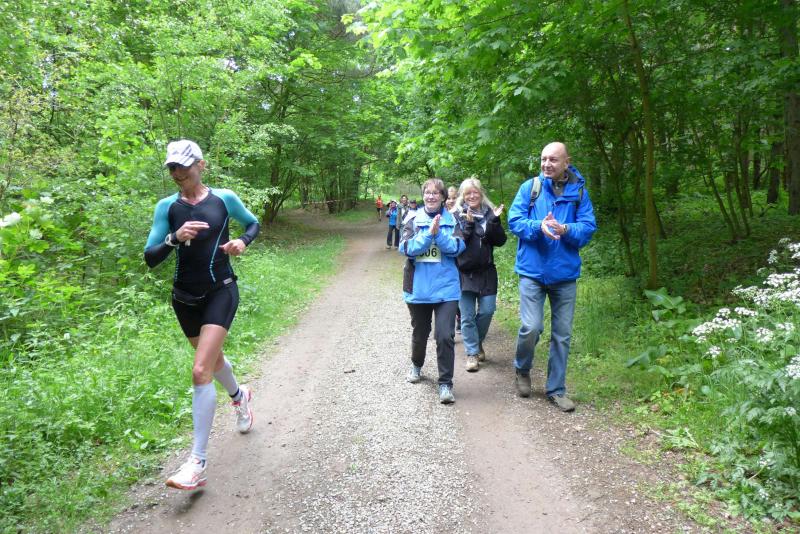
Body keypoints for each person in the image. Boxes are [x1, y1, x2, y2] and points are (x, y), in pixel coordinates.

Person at [144, 139, 260, 489]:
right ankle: (240, 397)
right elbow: (150, 257)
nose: (177, 173)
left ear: (201, 165)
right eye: (172, 168)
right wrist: (174, 238)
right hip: (184, 298)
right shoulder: (167, 207)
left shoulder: (224, 199)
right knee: (214, 359)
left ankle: (197, 462)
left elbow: (252, 224)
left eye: (183, 167)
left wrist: (242, 242)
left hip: (221, 290)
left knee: (200, 370)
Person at [507, 142, 596, 412]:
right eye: (544, 159)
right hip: (532, 271)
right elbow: (514, 220)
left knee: (562, 335)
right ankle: (522, 369)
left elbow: (588, 227)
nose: (547, 164)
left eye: (553, 160)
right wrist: (539, 226)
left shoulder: (579, 192)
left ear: (567, 162)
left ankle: (556, 389)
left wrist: (565, 228)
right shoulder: (530, 188)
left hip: (564, 274)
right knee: (531, 326)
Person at [399, 179, 465, 404]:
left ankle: (445, 383)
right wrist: (429, 234)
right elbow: (407, 248)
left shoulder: (453, 220)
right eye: (427, 192)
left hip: (447, 288)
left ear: (443, 197)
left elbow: (457, 248)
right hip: (418, 288)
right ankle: (416, 365)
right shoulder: (412, 219)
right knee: (420, 333)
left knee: (445, 335)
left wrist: (439, 235)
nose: (431, 196)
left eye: (436, 193)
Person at [453, 177, 507, 372]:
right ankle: (472, 354)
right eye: (468, 193)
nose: (472, 196)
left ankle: (475, 343)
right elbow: (456, 243)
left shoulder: (489, 213)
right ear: (463, 196)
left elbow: (500, 241)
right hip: (464, 272)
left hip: (486, 271)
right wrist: (468, 225)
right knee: (467, 316)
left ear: (481, 193)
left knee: (487, 311)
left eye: (475, 192)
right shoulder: (456, 215)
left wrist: (494, 222)